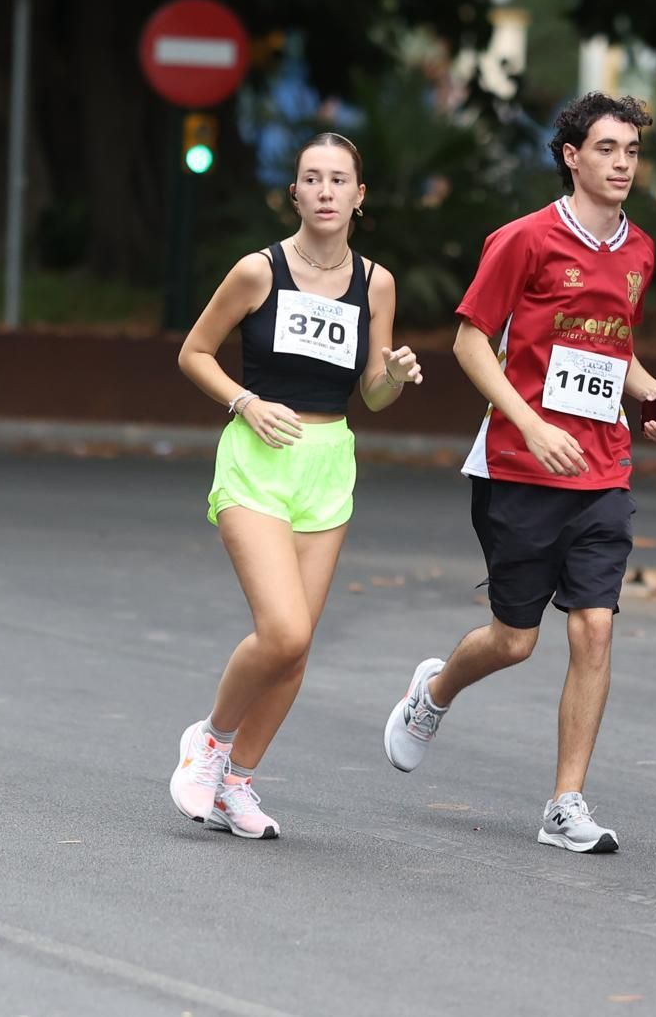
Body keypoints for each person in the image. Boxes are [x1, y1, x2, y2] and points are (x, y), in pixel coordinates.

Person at [382, 93, 656, 853]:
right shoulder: (523, 240)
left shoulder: (639, 251)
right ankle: (434, 691)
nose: (621, 163)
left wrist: (649, 393)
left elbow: (614, 347)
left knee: (593, 630)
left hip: (603, 465)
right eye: (607, 149)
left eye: (632, 152)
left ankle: (565, 803)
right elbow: (471, 343)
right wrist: (532, 423)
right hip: (518, 465)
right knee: (515, 641)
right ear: (572, 156)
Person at [169, 132, 422, 839]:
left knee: (298, 645)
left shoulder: (376, 283)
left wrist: (394, 377)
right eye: (312, 179)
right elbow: (194, 352)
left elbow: (372, 394)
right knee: (280, 629)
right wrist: (244, 401)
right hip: (256, 457)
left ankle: (238, 784)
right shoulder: (259, 270)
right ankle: (209, 745)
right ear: (296, 193)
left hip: (327, 462)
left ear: (359, 196)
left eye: (340, 180)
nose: (326, 191)